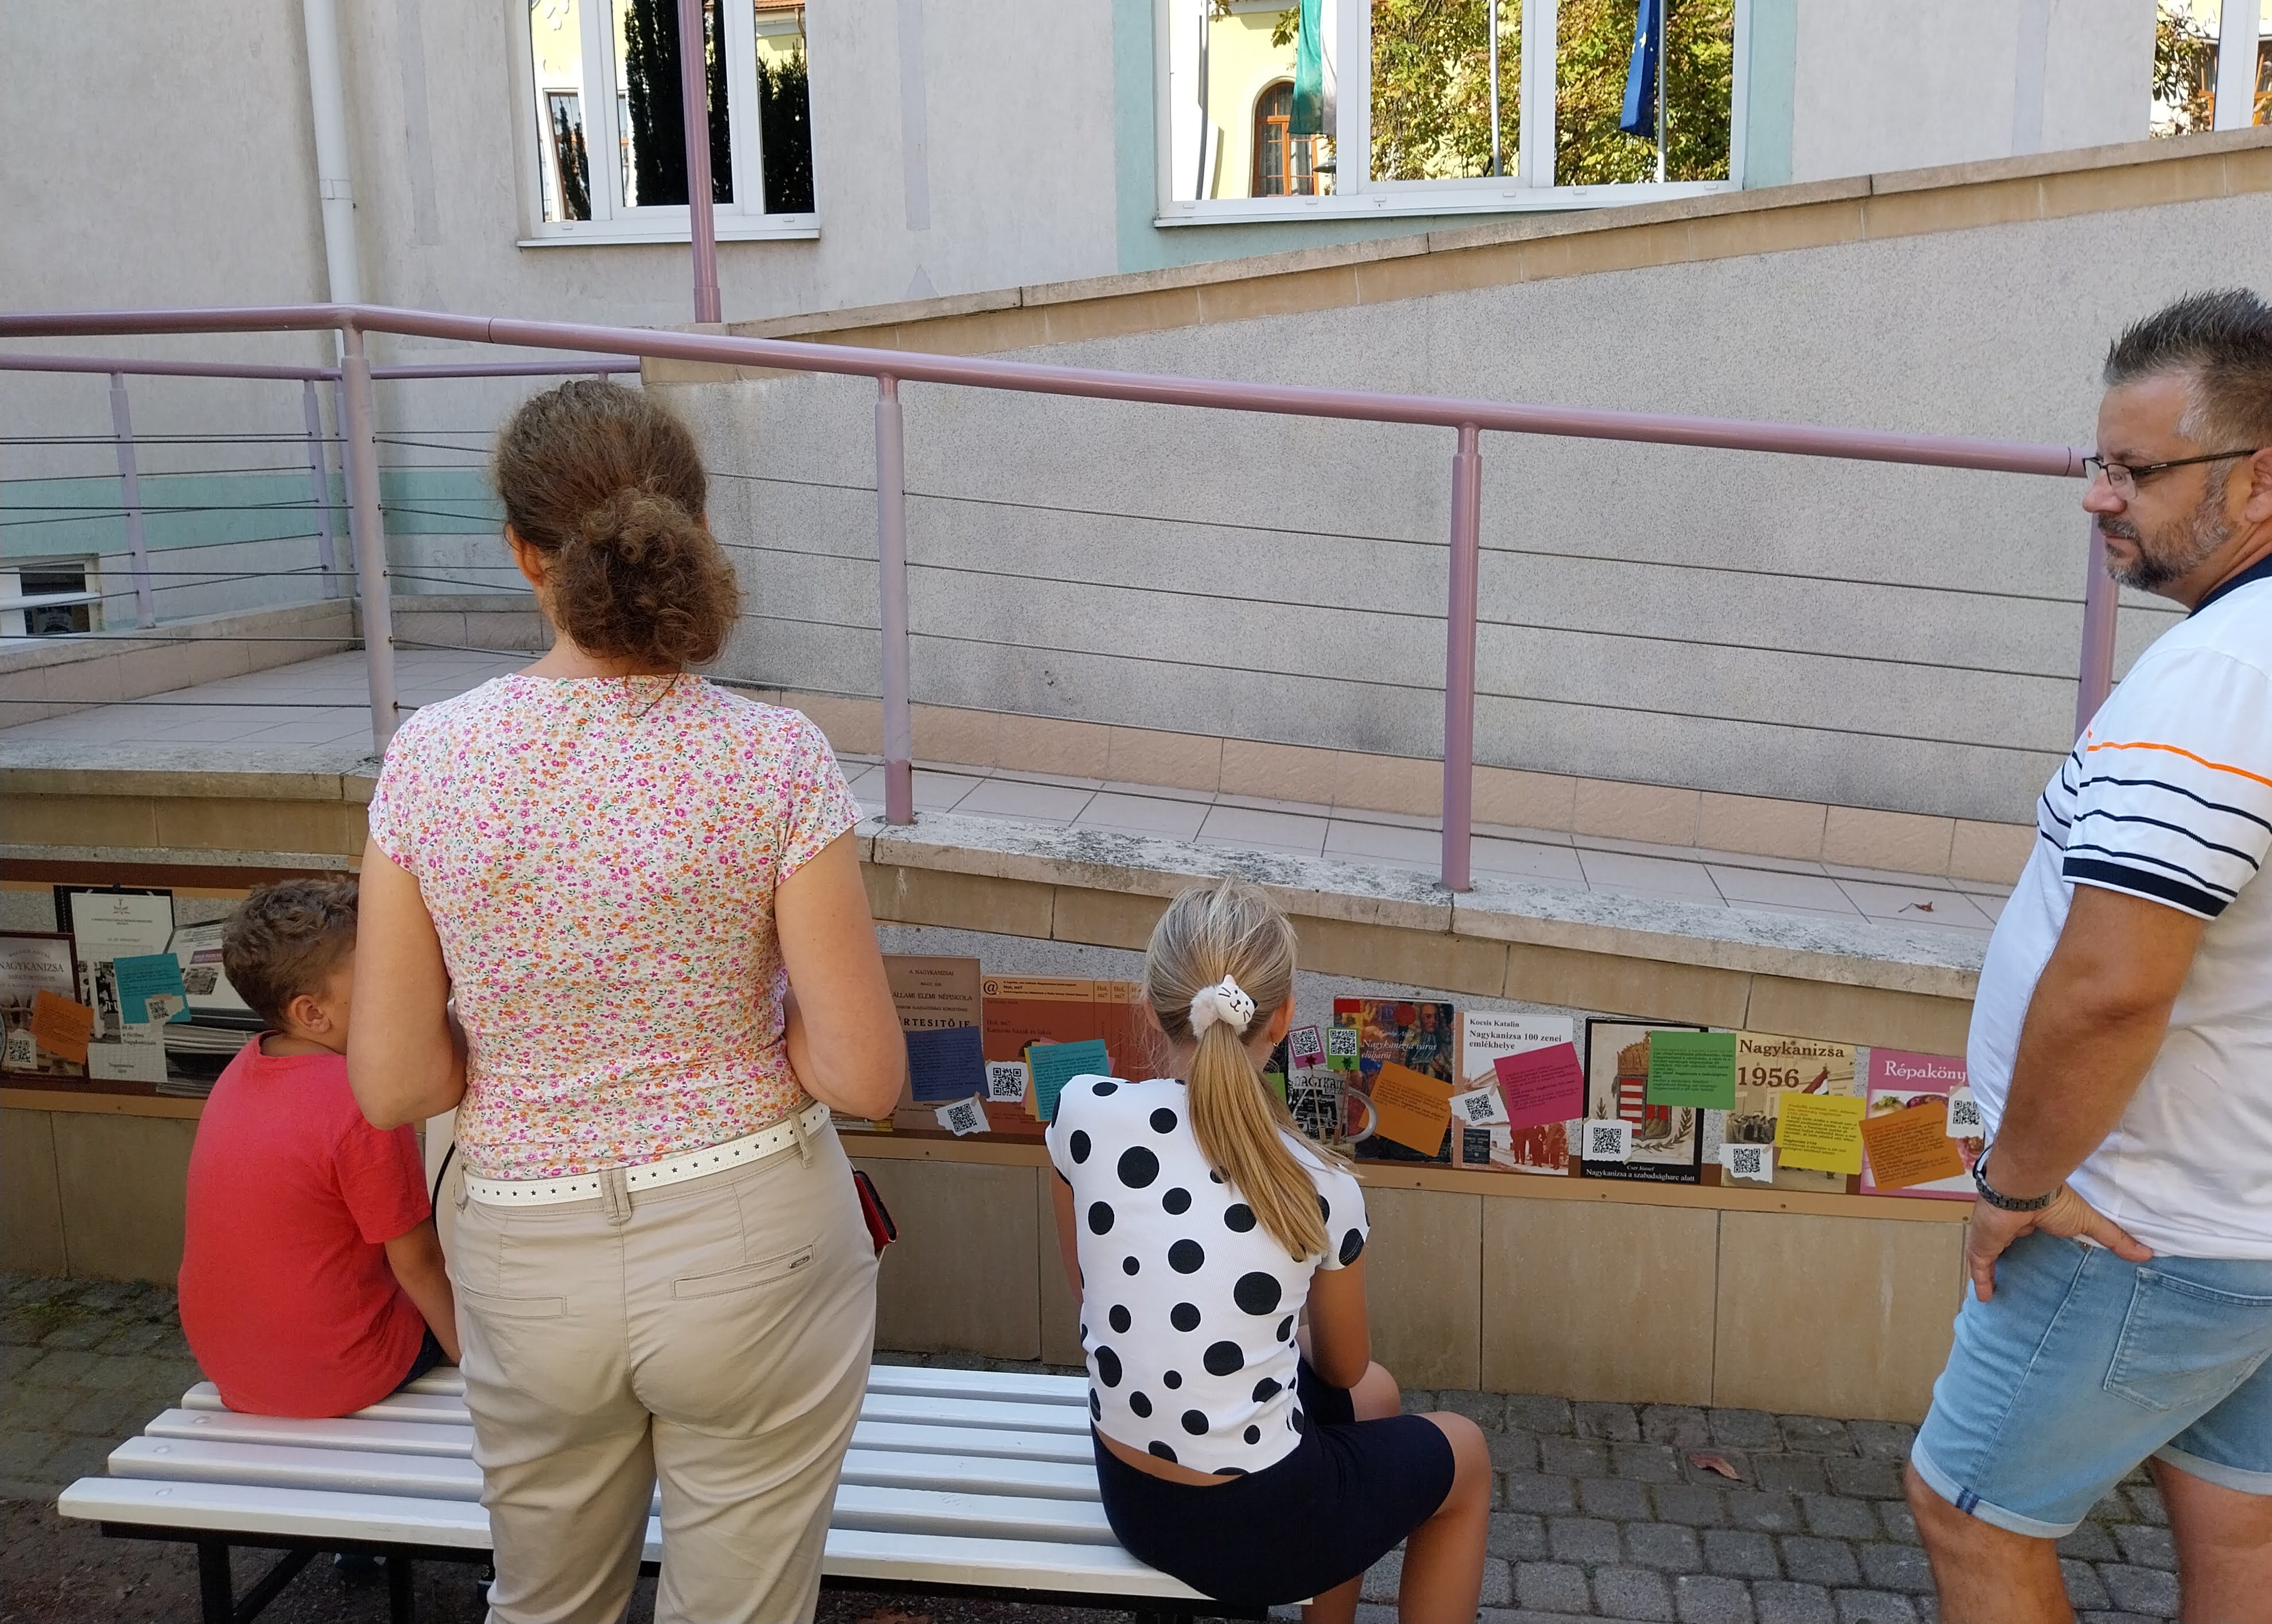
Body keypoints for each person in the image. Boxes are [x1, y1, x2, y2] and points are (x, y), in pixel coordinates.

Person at [347, 380, 907, 1624]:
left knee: (546, 1608)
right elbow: (866, 1077)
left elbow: (395, 1084)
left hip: (525, 1252)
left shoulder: (431, 758)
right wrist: (753, 1020)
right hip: (754, 1236)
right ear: (695, 530)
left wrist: (515, 1033)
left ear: (522, 554)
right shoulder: (773, 757)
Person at [1905, 290, 2272, 1624]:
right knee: (2242, 1522)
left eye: (2133, 470)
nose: (2097, 497)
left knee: (1969, 1513)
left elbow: (2109, 985)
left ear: (2259, 480)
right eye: (2094, 463)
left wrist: (2014, 1183)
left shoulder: (2227, 677)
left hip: (2142, 1219)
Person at [1045, 879, 1491, 1623]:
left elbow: (1091, 1295)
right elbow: (1342, 1365)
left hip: (1135, 1500)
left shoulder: (1082, 1115)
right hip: (1261, 1526)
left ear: (1153, 1005)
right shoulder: (1318, 1183)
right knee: (1465, 1455)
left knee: (1375, 1401)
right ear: (1282, 1019)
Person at [179, 878, 461, 1417]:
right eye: (379, 975)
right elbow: (419, 1264)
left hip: (232, 1366)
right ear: (312, 1013)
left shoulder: (244, 1068)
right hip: (337, 1372)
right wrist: (470, 1362)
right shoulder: (366, 1099)